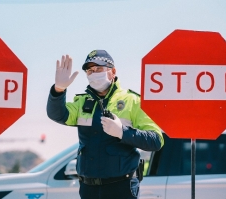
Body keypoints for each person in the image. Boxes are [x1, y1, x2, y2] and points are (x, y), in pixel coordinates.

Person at [47, 50, 164, 199]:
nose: (94, 73)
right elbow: (58, 115)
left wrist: (123, 132)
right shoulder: (83, 103)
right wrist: (58, 90)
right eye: (90, 70)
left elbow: (155, 141)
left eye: (99, 69)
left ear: (112, 71)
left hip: (122, 188)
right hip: (89, 189)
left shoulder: (133, 101)